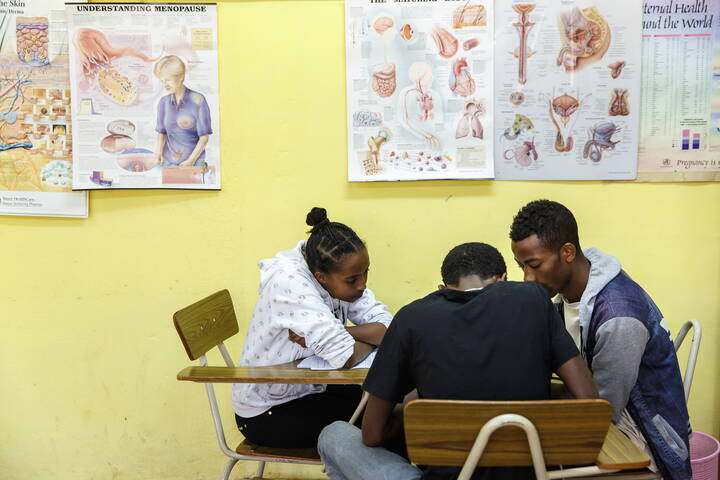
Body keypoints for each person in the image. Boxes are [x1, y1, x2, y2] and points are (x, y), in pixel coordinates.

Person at [318, 242, 598, 480]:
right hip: (531, 472)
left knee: (333, 435)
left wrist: (411, 411)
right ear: (501, 280)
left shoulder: (412, 317)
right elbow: (587, 401)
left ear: (442, 288)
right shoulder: (533, 299)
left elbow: (372, 435)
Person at [509, 199, 691, 479]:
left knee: (524, 451)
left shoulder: (618, 316)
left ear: (567, 252)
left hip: (643, 439)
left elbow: (600, 414)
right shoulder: (568, 294)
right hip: (607, 414)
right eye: (522, 266)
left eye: (534, 265)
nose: (528, 278)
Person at [232, 207, 392, 448]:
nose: (362, 285)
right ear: (321, 278)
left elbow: (388, 329)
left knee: (393, 402)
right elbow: (346, 355)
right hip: (269, 410)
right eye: (352, 280)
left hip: (315, 386)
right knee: (383, 423)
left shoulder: (336, 269)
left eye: (365, 273)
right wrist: (368, 338)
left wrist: (346, 334)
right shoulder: (289, 283)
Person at [153, 55, 212, 167]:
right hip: (167, 162)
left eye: (168, 80)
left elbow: (204, 138)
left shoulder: (198, 100)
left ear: (181, 77)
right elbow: (162, 132)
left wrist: (190, 161)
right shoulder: (163, 102)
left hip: (193, 162)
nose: (165, 85)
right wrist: (158, 153)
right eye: (162, 81)